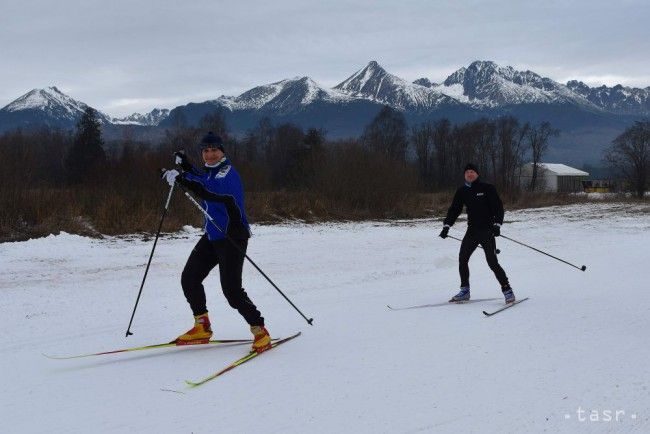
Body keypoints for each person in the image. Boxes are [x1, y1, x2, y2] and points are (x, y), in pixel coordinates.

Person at [161, 131, 271, 353]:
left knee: (232, 290)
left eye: (214, 150)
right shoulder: (211, 172)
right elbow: (202, 179)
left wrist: (181, 178)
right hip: (213, 235)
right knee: (189, 278)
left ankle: (260, 330)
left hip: (232, 236)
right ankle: (202, 326)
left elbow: (210, 191)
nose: (210, 154)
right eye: (206, 150)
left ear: (222, 151)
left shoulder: (228, 174)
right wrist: (186, 165)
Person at [439, 163, 515, 304]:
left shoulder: (487, 188)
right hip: (472, 231)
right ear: (464, 175)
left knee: (492, 262)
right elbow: (454, 209)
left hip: (487, 230)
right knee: (462, 259)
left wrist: (497, 225)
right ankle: (465, 291)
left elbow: (498, 208)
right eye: (467, 172)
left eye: (472, 172)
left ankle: (507, 290)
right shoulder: (462, 191)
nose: (470, 174)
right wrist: (446, 226)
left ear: (477, 174)